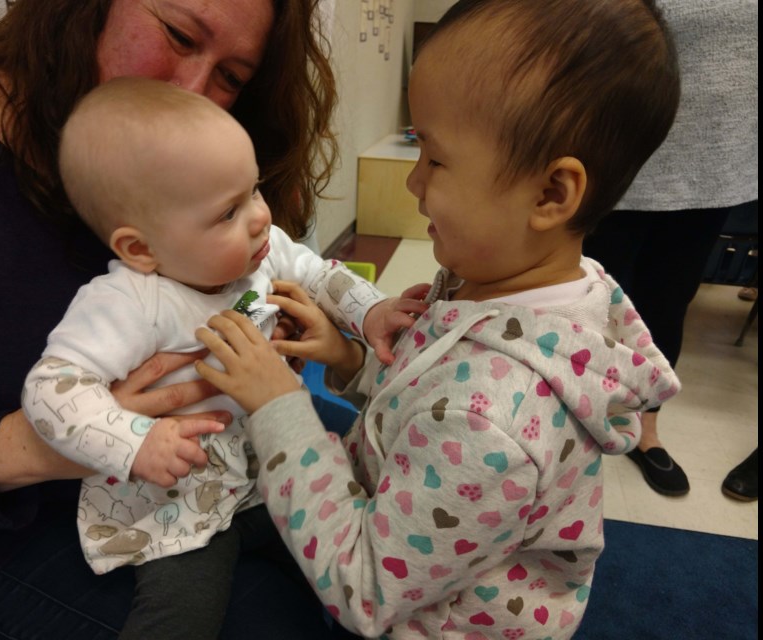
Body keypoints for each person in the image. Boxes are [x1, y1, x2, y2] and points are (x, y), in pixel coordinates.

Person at [193, 0, 683, 637]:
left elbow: (364, 588)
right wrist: (348, 360)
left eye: (436, 159)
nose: (413, 183)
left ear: (551, 194)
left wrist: (277, 404)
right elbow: (428, 387)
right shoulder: (514, 283)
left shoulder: (490, 424)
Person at [0, 1, 355, 638]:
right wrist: (59, 444)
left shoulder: (201, 177)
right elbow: (58, 396)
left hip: (216, 479)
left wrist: (330, 333)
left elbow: (308, 270)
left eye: (231, 76)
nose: (195, 93)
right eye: (177, 35)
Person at [23, 77, 424, 638]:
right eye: (227, 212)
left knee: (350, 565)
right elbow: (50, 388)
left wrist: (372, 312)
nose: (260, 217)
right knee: (182, 619)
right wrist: (132, 440)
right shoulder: (127, 303)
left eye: (253, 191)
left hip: (264, 479)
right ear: (141, 248)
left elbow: (322, 275)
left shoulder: (263, 252)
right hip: (178, 507)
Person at [582, 0, 758, 497]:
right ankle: (574, 417)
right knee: (590, 298)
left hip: (717, 166)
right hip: (618, 154)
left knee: (668, 298)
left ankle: (645, 430)